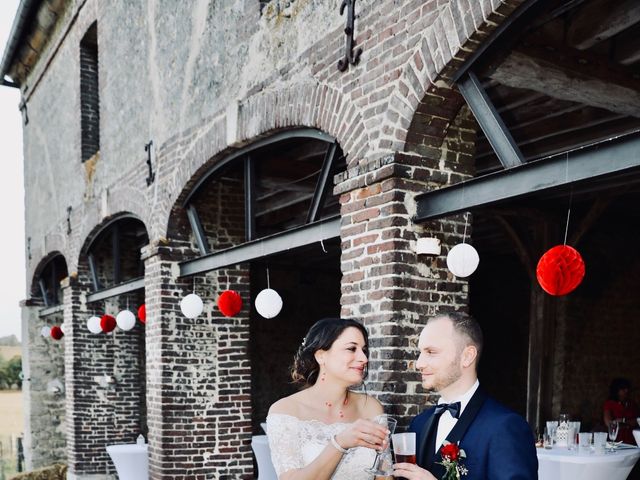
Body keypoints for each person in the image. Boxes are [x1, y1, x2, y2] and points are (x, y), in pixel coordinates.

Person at [393, 311, 538, 480]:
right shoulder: (419, 423)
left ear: (467, 357)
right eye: (420, 353)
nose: (419, 364)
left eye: (431, 352)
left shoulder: (504, 427)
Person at [267, 318, 389, 480]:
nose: (364, 359)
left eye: (364, 350)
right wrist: (339, 443)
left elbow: (383, 476)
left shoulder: (371, 407)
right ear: (321, 356)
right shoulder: (285, 411)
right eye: (352, 349)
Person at [603, 377, 639, 445]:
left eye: (627, 388)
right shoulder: (609, 403)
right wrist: (626, 423)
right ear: (616, 390)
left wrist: (621, 421)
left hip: (632, 440)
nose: (626, 390)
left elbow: (637, 421)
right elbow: (609, 423)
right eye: (623, 388)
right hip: (616, 441)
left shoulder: (632, 403)